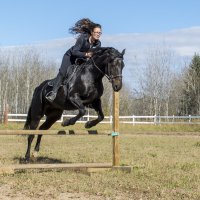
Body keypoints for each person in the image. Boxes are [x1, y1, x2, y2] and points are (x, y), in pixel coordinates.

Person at [46, 18, 102, 102]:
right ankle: (53, 93)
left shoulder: (98, 43)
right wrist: (86, 54)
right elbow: (75, 52)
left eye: (100, 32)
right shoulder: (82, 38)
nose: (98, 34)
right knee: (63, 73)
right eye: (96, 32)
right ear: (91, 32)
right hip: (70, 56)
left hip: (82, 59)